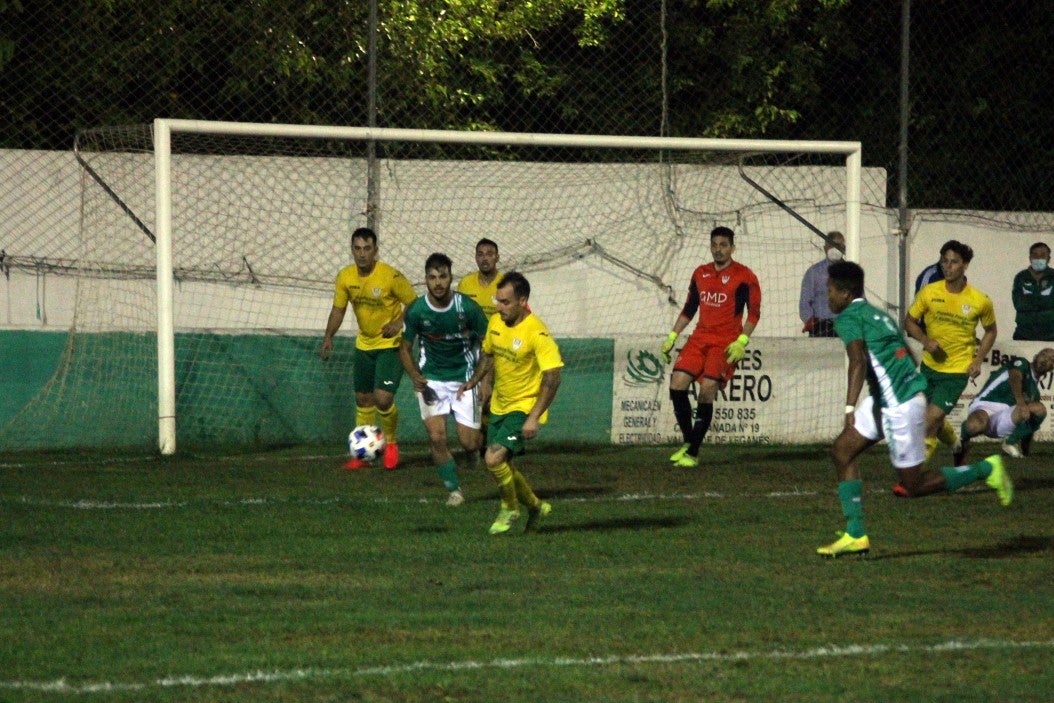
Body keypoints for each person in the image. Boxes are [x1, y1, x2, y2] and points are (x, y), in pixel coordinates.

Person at [817, 260, 1012, 558]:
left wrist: (848, 408)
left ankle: (986, 468)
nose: (827, 295)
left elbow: (857, 361)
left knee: (913, 485)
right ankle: (855, 534)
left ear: (844, 294)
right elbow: (905, 350)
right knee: (842, 451)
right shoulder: (876, 314)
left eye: (830, 290)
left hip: (899, 405)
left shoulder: (847, 319)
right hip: (888, 399)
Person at [458, 271, 562, 535]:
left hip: (523, 406)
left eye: (505, 302)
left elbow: (552, 377)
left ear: (522, 300)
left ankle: (510, 507)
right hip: (499, 406)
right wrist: (474, 381)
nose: (498, 306)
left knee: (493, 458)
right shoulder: (495, 322)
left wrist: (533, 417)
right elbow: (489, 355)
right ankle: (536, 506)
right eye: (497, 300)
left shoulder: (537, 332)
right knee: (503, 465)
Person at [660, 226, 761, 468]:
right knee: (677, 383)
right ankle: (688, 442)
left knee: (707, 389)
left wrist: (742, 341)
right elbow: (689, 308)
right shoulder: (700, 273)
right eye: (715, 245)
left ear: (732, 248)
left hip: (726, 342)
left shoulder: (745, 276)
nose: (718, 249)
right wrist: (673, 335)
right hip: (699, 338)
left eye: (723, 245)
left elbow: (754, 314)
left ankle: (693, 453)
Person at [319, 227, 417, 470]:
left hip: (390, 345)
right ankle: (362, 456)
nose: (361, 254)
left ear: (375, 250)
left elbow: (415, 303)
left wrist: (398, 322)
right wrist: (328, 337)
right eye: (357, 249)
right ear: (352, 249)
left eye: (367, 249)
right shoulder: (345, 277)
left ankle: (392, 444)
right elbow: (338, 309)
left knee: (383, 399)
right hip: (364, 344)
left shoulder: (391, 276)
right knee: (363, 399)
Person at [399, 253, 490, 506]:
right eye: (432, 277)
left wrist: (484, 380)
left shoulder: (467, 308)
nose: (438, 282)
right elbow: (404, 348)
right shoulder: (416, 310)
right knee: (437, 437)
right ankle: (454, 490)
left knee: (468, 442)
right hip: (432, 381)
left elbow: (489, 346)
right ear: (426, 280)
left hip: (464, 380)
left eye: (443, 276)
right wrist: (415, 375)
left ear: (451, 277)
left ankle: (475, 449)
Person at [903, 240, 997, 466]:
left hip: (956, 372)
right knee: (923, 417)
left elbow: (991, 331)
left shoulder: (979, 300)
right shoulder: (929, 292)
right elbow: (909, 322)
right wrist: (925, 340)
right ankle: (957, 445)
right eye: (944, 261)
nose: (948, 266)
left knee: (930, 420)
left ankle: (913, 473)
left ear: (965, 265)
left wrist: (977, 360)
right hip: (928, 367)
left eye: (954, 262)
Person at [954, 348, 1054, 464]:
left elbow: (1029, 426)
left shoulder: (1034, 393)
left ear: (1052, 367)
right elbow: (1015, 377)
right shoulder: (1022, 364)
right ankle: (963, 438)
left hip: (1005, 420)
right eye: (1044, 354)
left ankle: (1010, 443)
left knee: (1039, 409)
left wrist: (1026, 452)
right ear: (1036, 355)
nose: (1045, 360)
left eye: (1051, 359)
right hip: (985, 406)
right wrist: (1021, 403)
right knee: (975, 426)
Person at [457, 238, 503, 455]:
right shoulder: (466, 284)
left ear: (497, 257)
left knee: (493, 397)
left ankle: (497, 441)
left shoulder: (505, 284)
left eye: (489, 253)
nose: (485, 258)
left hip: (500, 349)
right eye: (481, 254)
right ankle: (479, 442)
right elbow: (459, 315)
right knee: (477, 397)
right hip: (473, 349)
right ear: (476, 257)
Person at [798, 231, 845, 337]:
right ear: (825, 248)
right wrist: (812, 323)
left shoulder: (852, 272)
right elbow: (804, 303)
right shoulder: (814, 272)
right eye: (832, 245)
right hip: (821, 328)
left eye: (839, 245)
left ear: (844, 248)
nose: (836, 249)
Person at [1011, 241, 1054, 341]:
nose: (1039, 258)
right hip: (1023, 334)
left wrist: (1031, 300)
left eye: (1043, 255)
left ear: (1049, 258)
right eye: (1035, 255)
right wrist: (1044, 302)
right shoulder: (1021, 277)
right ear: (1030, 258)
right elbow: (1019, 303)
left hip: (1051, 335)